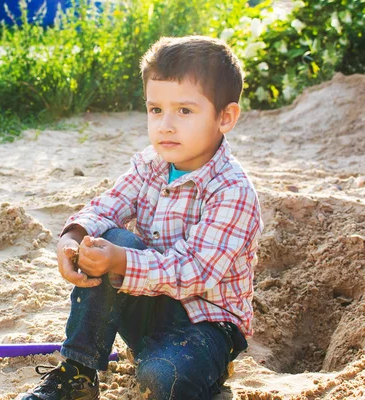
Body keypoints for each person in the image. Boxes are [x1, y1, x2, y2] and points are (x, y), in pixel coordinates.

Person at [21, 35, 264, 400]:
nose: (165, 125)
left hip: (206, 326)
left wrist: (121, 261)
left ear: (225, 117)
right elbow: (107, 206)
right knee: (110, 239)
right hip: (148, 305)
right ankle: (77, 374)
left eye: (184, 111)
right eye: (155, 110)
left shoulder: (232, 191)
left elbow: (195, 271)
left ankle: (195, 374)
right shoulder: (150, 165)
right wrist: (74, 235)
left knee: (163, 376)